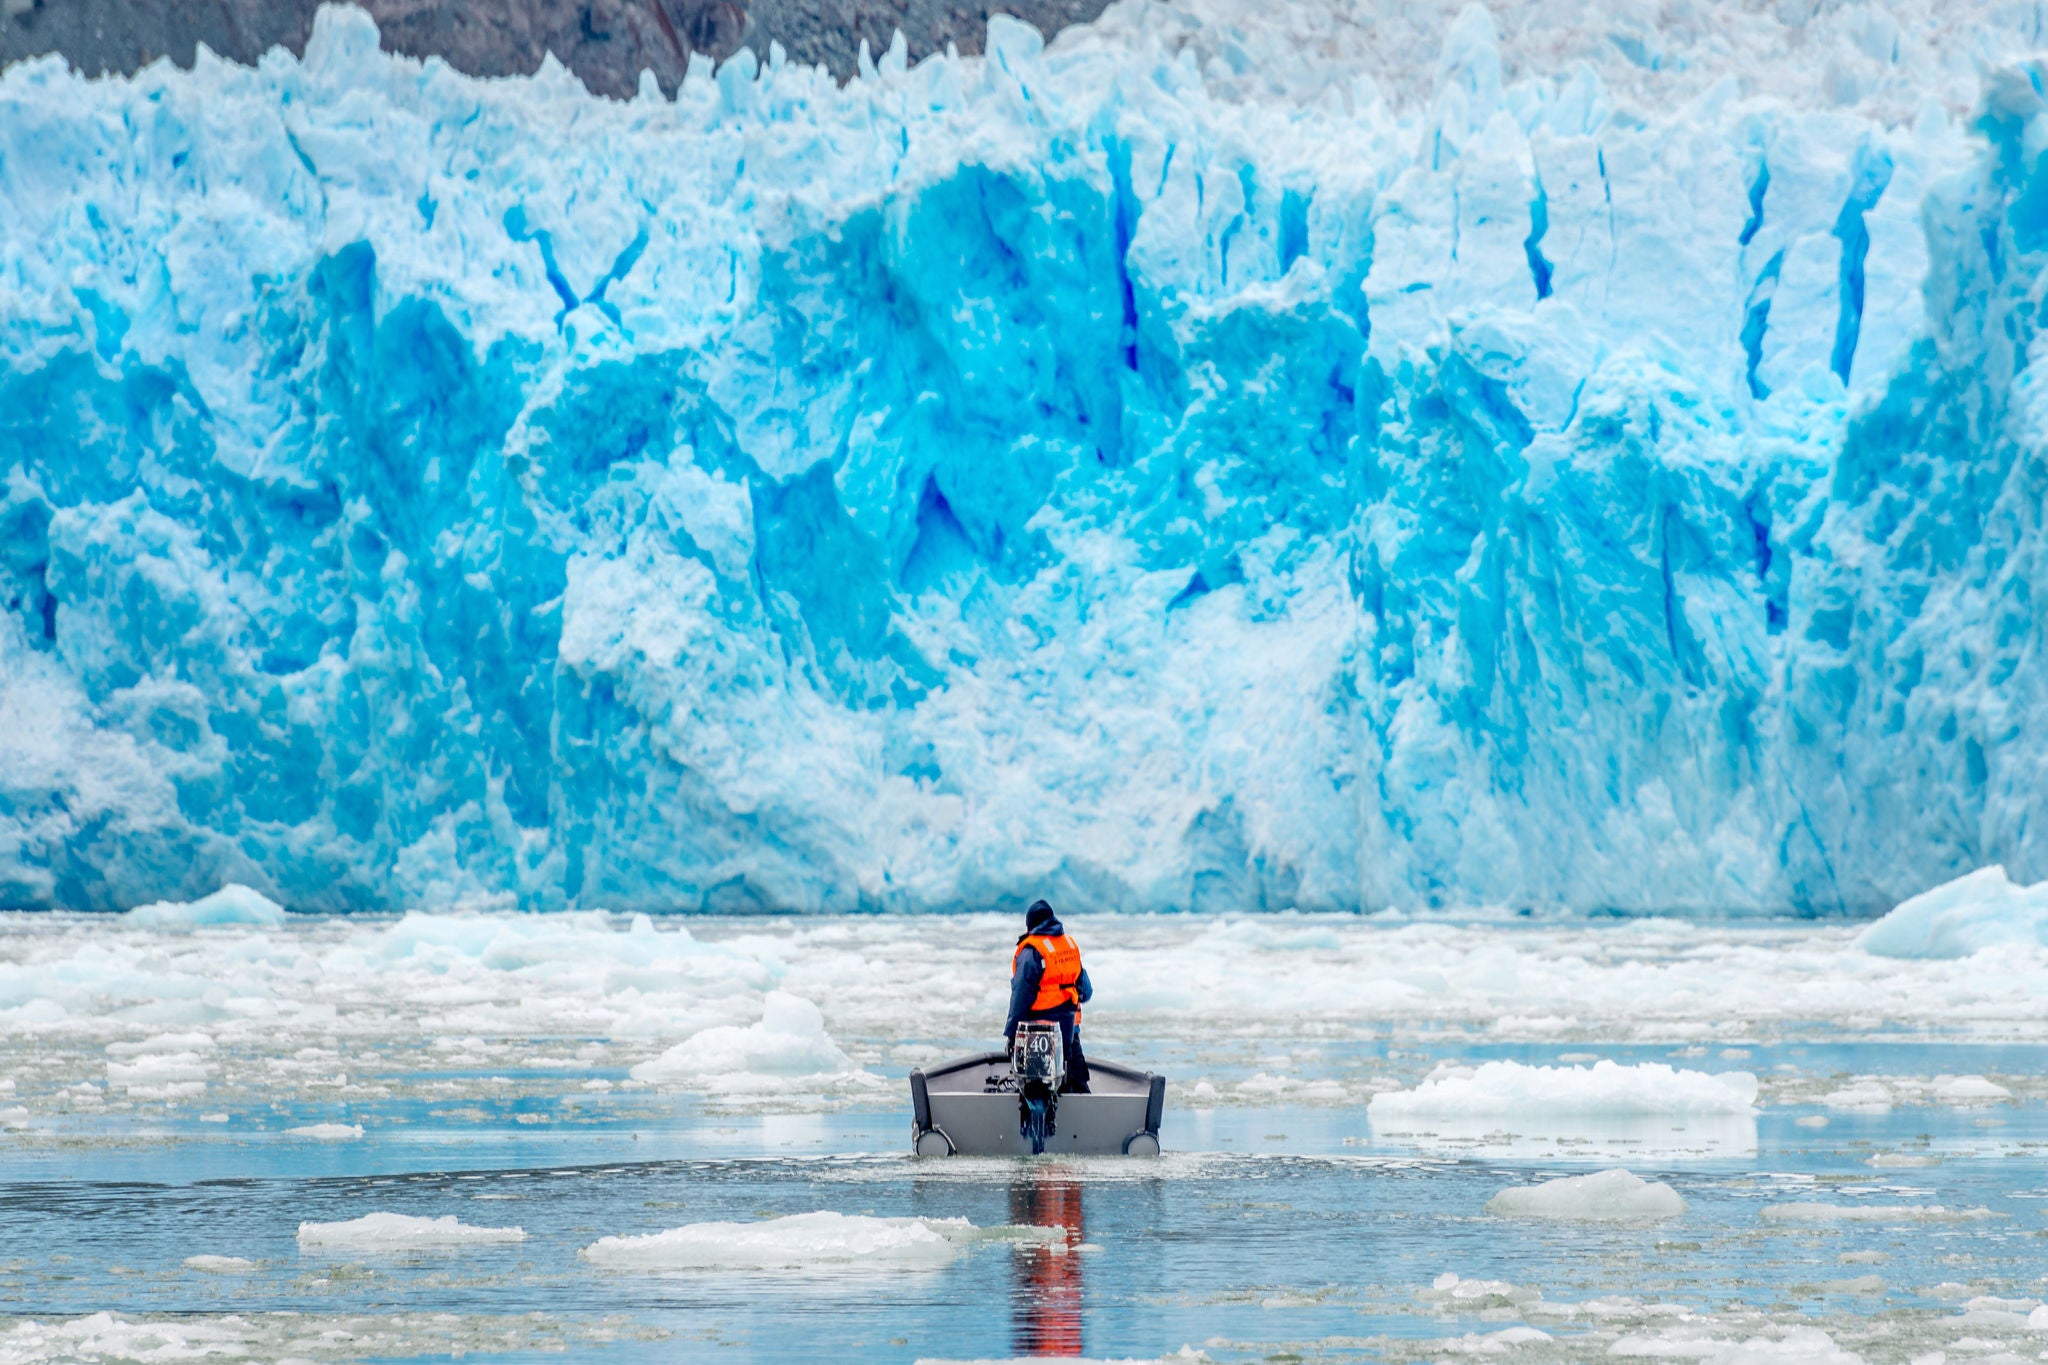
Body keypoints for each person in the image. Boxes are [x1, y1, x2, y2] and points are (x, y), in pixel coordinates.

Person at [1004, 898, 1092, 1093]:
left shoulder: (1031, 951)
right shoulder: (1068, 946)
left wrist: (1011, 1034)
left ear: (1030, 925)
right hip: (1070, 1033)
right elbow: (1086, 991)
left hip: (1038, 1036)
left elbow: (1020, 997)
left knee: (1036, 1091)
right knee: (1077, 1087)